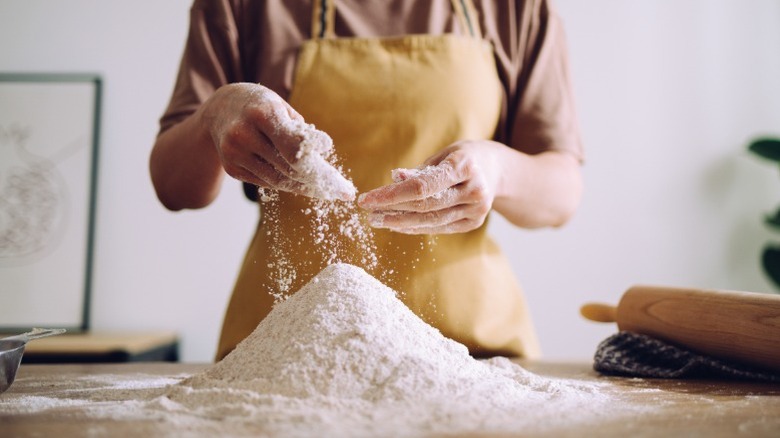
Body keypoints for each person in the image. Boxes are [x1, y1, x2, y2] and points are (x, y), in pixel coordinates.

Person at [150, 0, 583, 361]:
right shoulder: (244, 7)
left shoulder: (514, 8)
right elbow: (173, 188)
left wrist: (498, 171)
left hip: (471, 354)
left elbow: (562, 193)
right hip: (284, 356)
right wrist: (215, 115)